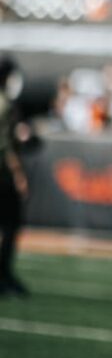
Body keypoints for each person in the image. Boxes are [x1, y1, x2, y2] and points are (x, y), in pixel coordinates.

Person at [1, 56, 30, 297]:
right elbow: (5, 146)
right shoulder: (5, 105)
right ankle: (4, 275)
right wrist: (18, 174)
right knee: (11, 224)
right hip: (2, 174)